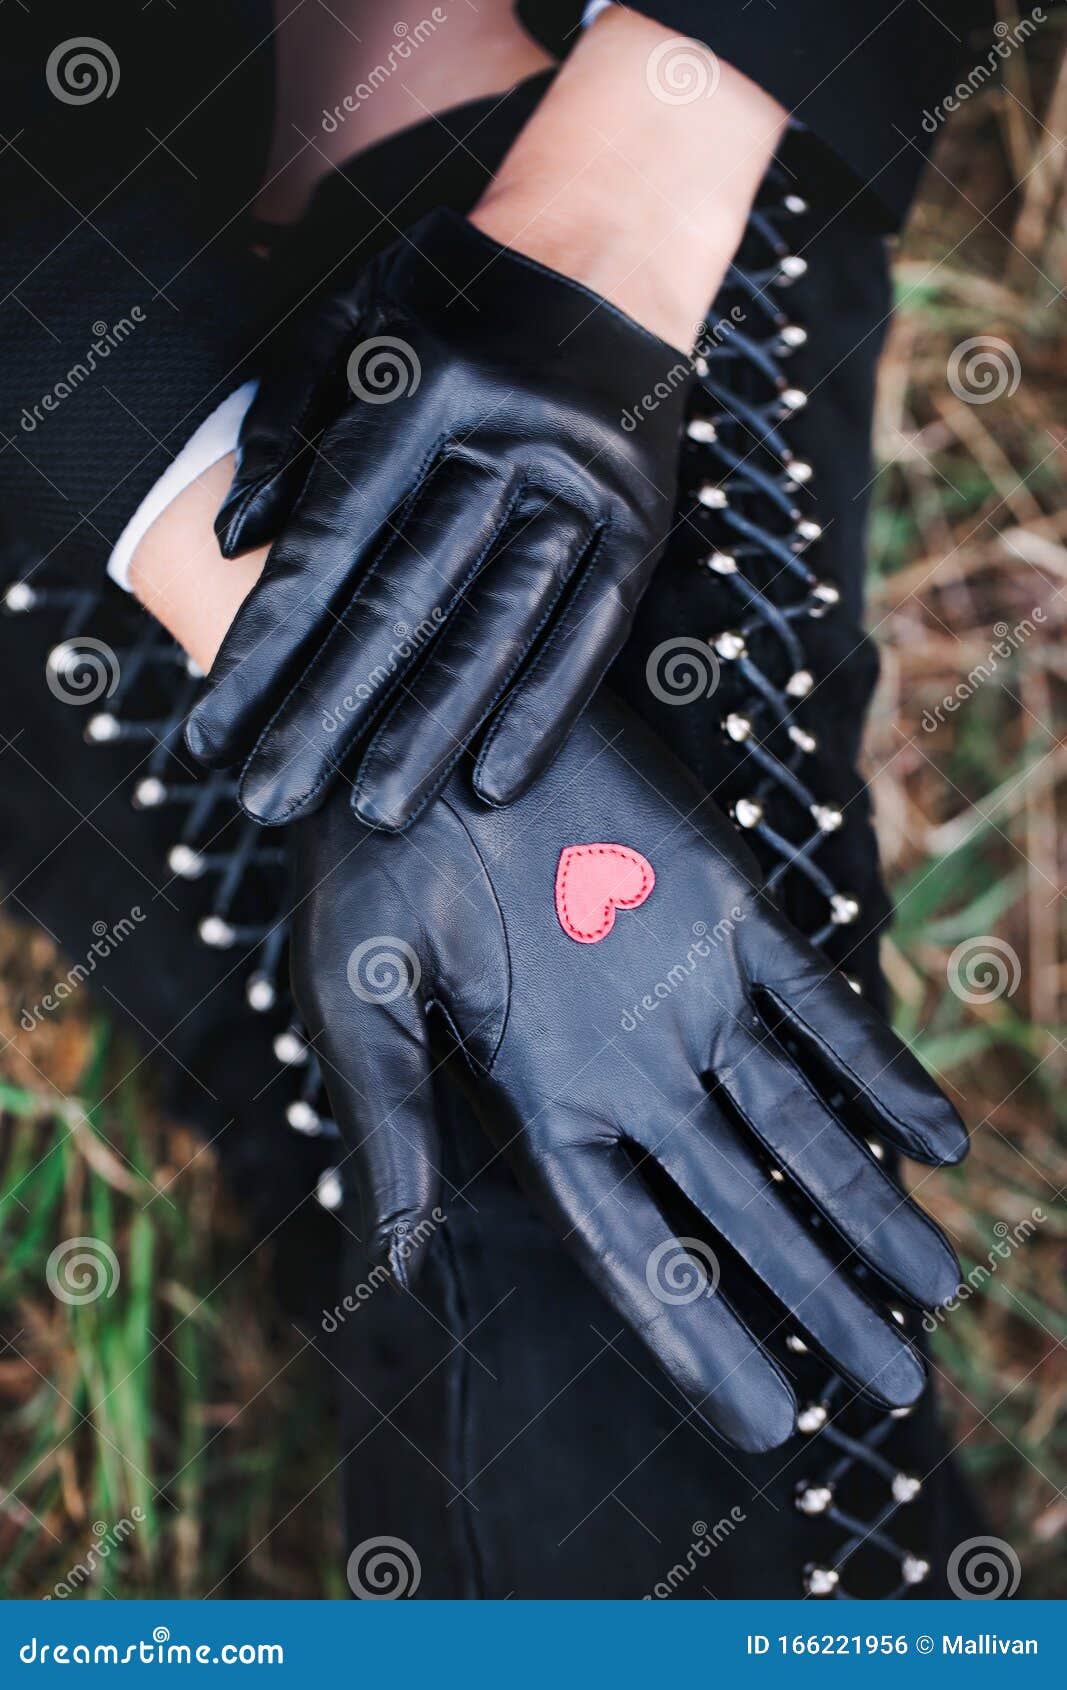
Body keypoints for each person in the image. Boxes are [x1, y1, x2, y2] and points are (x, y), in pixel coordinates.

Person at [0, 1, 992, 1596]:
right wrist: (359, 670)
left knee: (586, 1250)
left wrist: (605, 236)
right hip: (71, 376)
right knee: (527, 1182)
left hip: (611, 92)